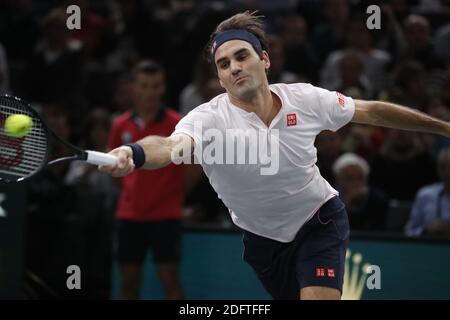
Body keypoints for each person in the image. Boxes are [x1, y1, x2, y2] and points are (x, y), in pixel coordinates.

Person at [99, 12, 450, 300]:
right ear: (220, 78)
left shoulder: (305, 99)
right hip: (263, 243)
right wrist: (135, 152)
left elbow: (370, 111)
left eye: (241, 56)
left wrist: (445, 128)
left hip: (319, 221)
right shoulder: (208, 119)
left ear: (264, 59)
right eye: (223, 64)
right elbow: (169, 146)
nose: (234, 67)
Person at [107, 60, 185, 300]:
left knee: (169, 279)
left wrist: (174, 197)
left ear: (163, 89)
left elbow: (192, 170)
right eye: (144, 86)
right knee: (128, 282)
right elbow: (114, 170)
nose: (150, 92)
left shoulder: (176, 123)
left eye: (156, 86)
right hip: (130, 215)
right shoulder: (120, 124)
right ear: (132, 88)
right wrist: (131, 192)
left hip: (166, 215)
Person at [333, 153, 390, 232]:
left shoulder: (379, 200)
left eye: (360, 178)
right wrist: (347, 204)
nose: (355, 183)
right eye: (349, 178)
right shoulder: (329, 200)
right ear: (338, 179)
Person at [405, 148, 450, 237]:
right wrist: (426, 230)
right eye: (442, 166)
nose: (445, 171)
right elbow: (409, 232)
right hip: (429, 248)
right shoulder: (425, 195)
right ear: (439, 169)